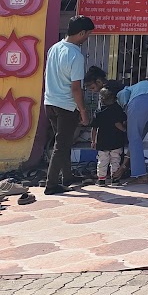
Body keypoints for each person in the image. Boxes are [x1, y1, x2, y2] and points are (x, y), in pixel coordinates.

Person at [43, 16, 98, 195]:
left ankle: (67, 177)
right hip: (66, 105)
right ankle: (51, 184)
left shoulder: (54, 48)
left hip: (50, 102)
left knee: (63, 142)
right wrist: (83, 112)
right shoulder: (75, 55)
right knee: (61, 145)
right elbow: (76, 88)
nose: (87, 38)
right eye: (87, 34)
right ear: (81, 33)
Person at [91, 87, 128, 184]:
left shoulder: (98, 111)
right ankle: (115, 179)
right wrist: (125, 130)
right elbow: (118, 124)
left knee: (102, 161)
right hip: (116, 140)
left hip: (102, 141)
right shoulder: (116, 109)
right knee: (115, 159)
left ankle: (101, 179)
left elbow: (94, 128)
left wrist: (93, 141)